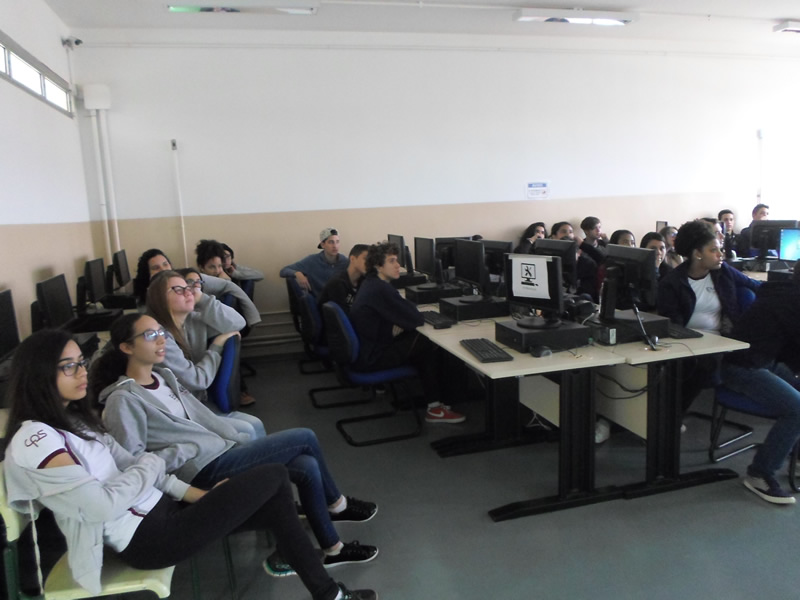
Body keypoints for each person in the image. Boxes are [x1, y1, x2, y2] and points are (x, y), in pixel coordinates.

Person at [2, 329, 376, 600]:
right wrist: (148, 467)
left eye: (81, 363)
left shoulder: (77, 422)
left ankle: (329, 594)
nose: (82, 372)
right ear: (39, 376)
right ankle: (328, 590)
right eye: (68, 367)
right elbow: (101, 504)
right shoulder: (36, 439)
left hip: (165, 512)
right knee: (276, 475)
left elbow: (136, 465)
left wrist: (198, 495)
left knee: (276, 501)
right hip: (147, 539)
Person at [91, 313, 379, 575]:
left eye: (161, 332)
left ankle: (333, 549)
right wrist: (188, 451)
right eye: (150, 335)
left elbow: (203, 418)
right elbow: (135, 465)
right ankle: (337, 505)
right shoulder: (122, 400)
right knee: (304, 436)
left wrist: (235, 439)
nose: (161, 340)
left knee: (306, 465)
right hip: (199, 470)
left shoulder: (162, 377)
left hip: (219, 453)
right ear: (126, 347)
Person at [349, 242, 466, 424]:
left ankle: (436, 403)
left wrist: (401, 318)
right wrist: (402, 318)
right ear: (378, 266)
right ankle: (437, 406)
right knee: (427, 342)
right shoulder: (380, 289)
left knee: (420, 340)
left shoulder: (371, 283)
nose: (398, 265)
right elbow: (415, 318)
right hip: (373, 358)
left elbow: (405, 313)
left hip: (367, 351)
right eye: (392, 261)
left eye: (397, 260)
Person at [145, 270, 265, 438]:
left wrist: (203, 298)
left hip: (196, 402)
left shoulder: (192, 321)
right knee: (248, 430)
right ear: (160, 299)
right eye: (178, 289)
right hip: (177, 413)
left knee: (255, 424)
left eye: (188, 287)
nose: (189, 291)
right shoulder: (160, 337)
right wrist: (216, 346)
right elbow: (197, 380)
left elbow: (238, 323)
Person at [657, 220, 760, 412]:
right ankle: (669, 416)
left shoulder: (723, 272)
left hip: (722, 343)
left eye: (720, 249)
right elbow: (673, 325)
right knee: (693, 364)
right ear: (697, 254)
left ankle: (672, 416)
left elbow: (755, 286)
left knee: (704, 364)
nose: (721, 255)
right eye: (714, 250)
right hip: (687, 345)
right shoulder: (672, 283)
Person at [720, 262, 800, 504]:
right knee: (797, 409)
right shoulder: (791, 302)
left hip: (764, 360)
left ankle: (796, 458)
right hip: (742, 366)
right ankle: (759, 474)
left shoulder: (784, 291)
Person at [133, 248, 260, 326]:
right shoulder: (145, 297)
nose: (163, 269)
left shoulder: (189, 278)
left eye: (166, 264)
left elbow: (228, 285)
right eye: (156, 268)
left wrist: (252, 315)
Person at [280, 228, 348, 295]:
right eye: (331, 242)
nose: (335, 246)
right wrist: (298, 274)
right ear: (323, 244)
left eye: (337, 242)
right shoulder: (312, 261)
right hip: (319, 300)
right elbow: (284, 270)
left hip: (339, 299)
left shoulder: (345, 261)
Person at [317, 244, 369, 314]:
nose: (369, 263)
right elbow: (342, 316)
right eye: (365, 258)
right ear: (352, 259)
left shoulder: (364, 281)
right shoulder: (337, 283)